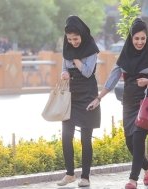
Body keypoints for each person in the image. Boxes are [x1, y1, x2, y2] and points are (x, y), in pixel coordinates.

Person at [87, 18, 148, 189]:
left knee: (137, 140)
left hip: (144, 103)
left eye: (143, 38)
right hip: (128, 103)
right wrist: (99, 98)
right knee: (129, 142)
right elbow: (112, 79)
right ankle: (147, 167)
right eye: (136, 38)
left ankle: (132, 179)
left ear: (147, 38)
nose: (140, 42)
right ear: (131, 38)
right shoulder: (124, 56)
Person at [57, 15, 101, 187]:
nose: (73, 42)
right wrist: (65, 74)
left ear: (82, 34)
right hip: (71, 97)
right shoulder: (67, 48)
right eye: (69, 39)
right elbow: (64, 70)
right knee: (66, 136)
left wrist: (75, 60)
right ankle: (69, 174)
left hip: (88, 96)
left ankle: (85, 177)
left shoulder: (91, 48)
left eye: (75, 38)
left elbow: (88, 72)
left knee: (85, 138)